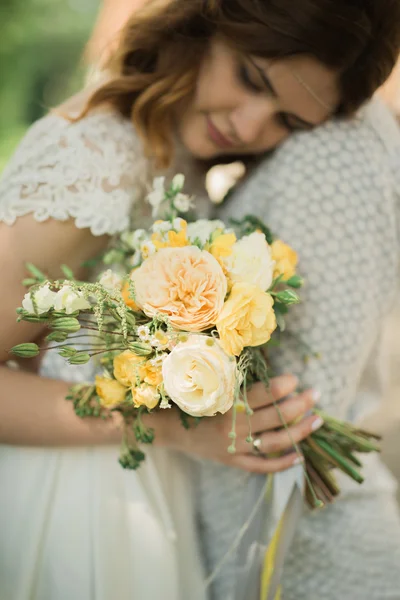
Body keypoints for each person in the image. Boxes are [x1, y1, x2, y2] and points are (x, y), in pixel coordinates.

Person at [0, 1, 399, 599]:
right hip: (78, 500)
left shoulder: (181, 148)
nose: (248, 126)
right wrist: (176, 428)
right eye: (250, 79)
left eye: (286, 121)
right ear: (205, 23)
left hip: (150, 496)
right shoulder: (97, 163)